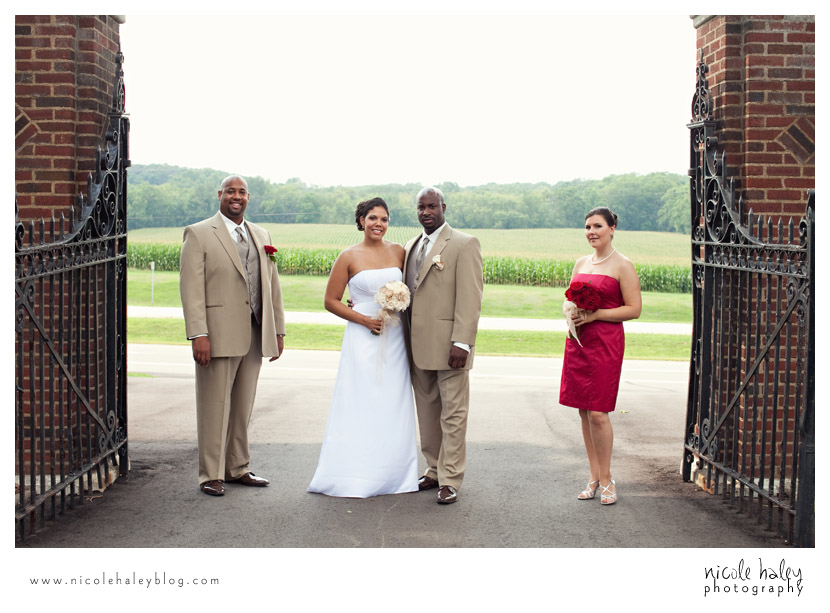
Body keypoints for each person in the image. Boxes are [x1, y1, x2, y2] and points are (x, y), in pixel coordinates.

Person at [179, 175, 286, 497]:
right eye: (230, 191)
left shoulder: (261, 234)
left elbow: (272, 285)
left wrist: (277, 329)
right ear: (219, 195)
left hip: (254, 332)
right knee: (214, 405)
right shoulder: (198, 234)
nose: (235, 197)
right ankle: (210, 473)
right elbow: (191, 289)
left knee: (242, 405)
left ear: (248, 197)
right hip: (217, 334)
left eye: (241, 192)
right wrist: (199, 333)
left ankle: (237, 467)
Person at [307, 198, 419, 497]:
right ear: (360, 220)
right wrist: (363, 319)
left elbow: (412, 287)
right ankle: (354, 472)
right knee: (361, 399)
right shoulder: (348, 256)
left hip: (394, 338)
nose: (378, 224)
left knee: (393, 400)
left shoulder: (399, 252)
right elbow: (330, 301)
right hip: (361, 336)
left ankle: (395, 475)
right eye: (372, 218)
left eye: (384, 219)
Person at [403, 187, 483, 505]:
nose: (426, 212)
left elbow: (470, 296)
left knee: (454, 414)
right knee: (427, 412)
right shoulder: (410, 246)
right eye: (421, 207)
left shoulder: (464, 243)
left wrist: (462, 341)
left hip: (451, 347)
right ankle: (433, 470)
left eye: (432, 206)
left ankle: (450, 479)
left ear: (443, 207)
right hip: (417, 347)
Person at [559, 206, 641, 505]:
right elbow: (571, 299)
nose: (591, 232)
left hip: (605, 342)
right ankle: (593, 477)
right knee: (583, 410)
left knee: (598, 412)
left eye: (597, 226)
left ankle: (607, 479)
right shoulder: (581, 262)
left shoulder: (623, 265)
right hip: (578, 341)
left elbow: (633, 309)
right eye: (587, 227)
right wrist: (573, 314)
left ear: (612, 228)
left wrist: (595, 316)